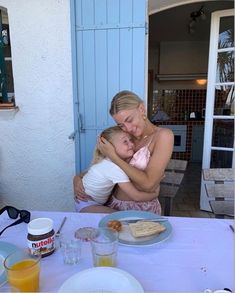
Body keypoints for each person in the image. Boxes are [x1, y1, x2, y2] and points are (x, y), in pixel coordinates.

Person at [74, 90, 174, 214]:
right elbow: (103, 167)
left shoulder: (163, 136)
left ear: (142, 109)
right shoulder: (125, 136)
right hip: (111, 205)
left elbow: (148, 184)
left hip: (140, 210)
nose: (128, 128)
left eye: (130, 120)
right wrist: (78, 179)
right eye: (121, 125)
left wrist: (113, 156)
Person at [75, 126, 157, 213]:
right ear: (109, 148)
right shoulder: (113, 167)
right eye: (125, 142)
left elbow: (82, 175)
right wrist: (154, 195)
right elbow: (136, 196)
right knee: (119, 217)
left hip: (91, 202)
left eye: (131, 140)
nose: (131, 144)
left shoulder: (107, 161)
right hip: (87, 203)